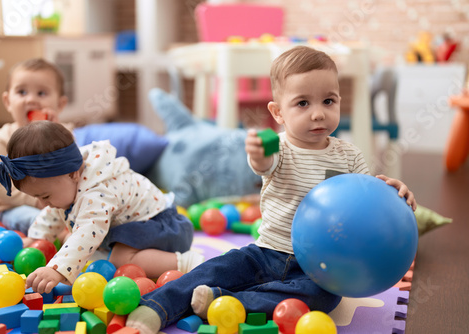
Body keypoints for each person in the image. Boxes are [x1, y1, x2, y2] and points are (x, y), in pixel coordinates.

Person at [124, 46, 417, 334]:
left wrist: (394, 192)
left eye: (328, 101)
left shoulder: (349, 155)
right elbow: (264, 163)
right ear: (278, 113)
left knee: (323, 298)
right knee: (214, 269)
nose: (318, 114)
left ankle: (228, 303)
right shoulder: (279, 147)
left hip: (317, 267)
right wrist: (257, 154)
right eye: (303, 103)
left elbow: (365, 203)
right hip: (267, 252)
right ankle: (157, 307)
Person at [0, 121, 204, 293]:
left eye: (45, 196)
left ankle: (186, 261)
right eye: (37, 197)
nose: (41, 203)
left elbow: (87, 232)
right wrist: (37, 237)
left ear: (73, 174)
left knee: (119, 259)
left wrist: (56, 270)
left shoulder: (97, 192)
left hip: (165, 227)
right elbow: (54, 212)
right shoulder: (68, 179)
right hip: (137, 228)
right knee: (88, 247)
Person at [0, 58, 71, 235]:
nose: (31, 100)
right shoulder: (1, 139)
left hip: (59, 204)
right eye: (22, 92)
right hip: (15, 208)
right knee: (38, 220)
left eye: (41, 93)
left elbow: (74, 169)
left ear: (60, 104)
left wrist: (56, 135)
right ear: (8, 101)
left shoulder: (64, 135)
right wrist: (36, 201)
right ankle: (65, 240)